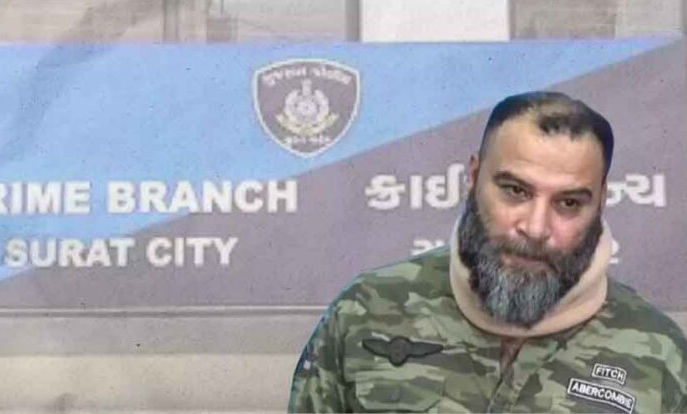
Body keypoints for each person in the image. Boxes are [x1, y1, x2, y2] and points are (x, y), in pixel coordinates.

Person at [288, 91, 687, 413]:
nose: (535, 228)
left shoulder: (660, 355)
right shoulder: (366, 312)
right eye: (515, 191)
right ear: (474, 177)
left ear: (600, 203)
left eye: (568, 203)